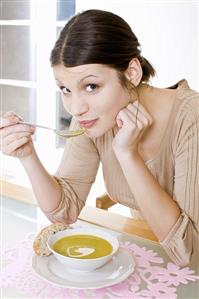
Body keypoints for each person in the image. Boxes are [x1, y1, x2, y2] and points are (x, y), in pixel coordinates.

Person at [1, 9, 198, 267]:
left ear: (132, 73)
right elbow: (65, 211)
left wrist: (128, 155)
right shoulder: (92, 117)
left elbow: (189, 251)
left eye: (91, 86)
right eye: (66, 89)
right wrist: (28, 156)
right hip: (150, 250)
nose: (75, 107)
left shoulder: (191, 119)